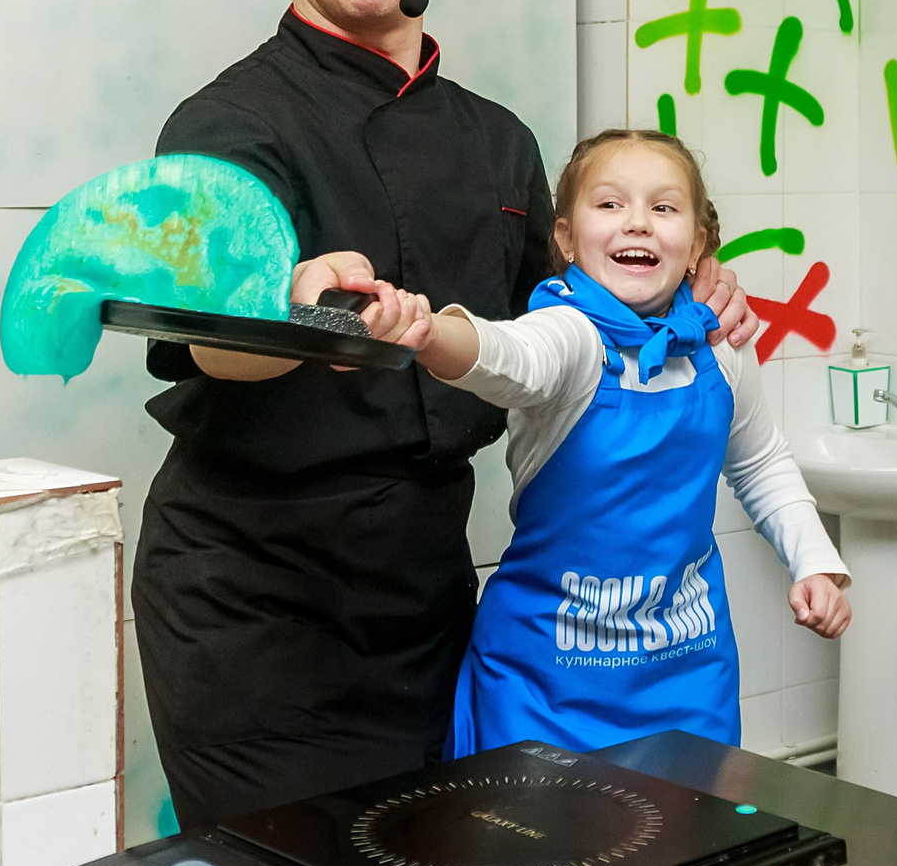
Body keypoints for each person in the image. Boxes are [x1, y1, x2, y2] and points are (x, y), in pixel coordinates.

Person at [134, 0, 759, 843]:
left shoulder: (498, 142)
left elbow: (558, 338)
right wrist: (290, 307)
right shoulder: (226, 124)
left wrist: (687, 291)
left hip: (428, 590)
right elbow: (202, 343)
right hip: (257, 602)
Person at [364, 128, 849, 753]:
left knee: (687, 847)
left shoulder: (721, 349)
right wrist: (430, 333)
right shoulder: (568, 335)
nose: (638, 224)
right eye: (611, 204)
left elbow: (760, 462)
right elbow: (505, 354)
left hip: (688, 679)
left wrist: (815, 562)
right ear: (565, 238)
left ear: (697, 243)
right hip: (545, 688)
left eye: (664, 208)